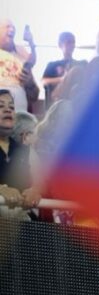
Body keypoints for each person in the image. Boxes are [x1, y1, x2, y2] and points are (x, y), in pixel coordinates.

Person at [0, 89, 41, 218]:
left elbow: (40, 181)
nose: (8, 110)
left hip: (23, 226)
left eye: (11, 107)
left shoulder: (26, 151)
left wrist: (36, 190)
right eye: (1, 106)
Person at [0, 20, 38, 113]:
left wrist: (31, 42)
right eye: (8, 26)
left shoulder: (19, 52)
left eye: (13, 27)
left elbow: (31, 62)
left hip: (20, 112)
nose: (12, 29)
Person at [42, 32, 87, 108]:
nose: (72, 45)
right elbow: (44, 81)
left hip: (76, 95)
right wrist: (63, 79)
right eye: (68, 42)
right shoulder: (53, 65)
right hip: (57, 96)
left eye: (73, 42)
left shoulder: (82, 63)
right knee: (75, 70)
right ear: (60, 45)